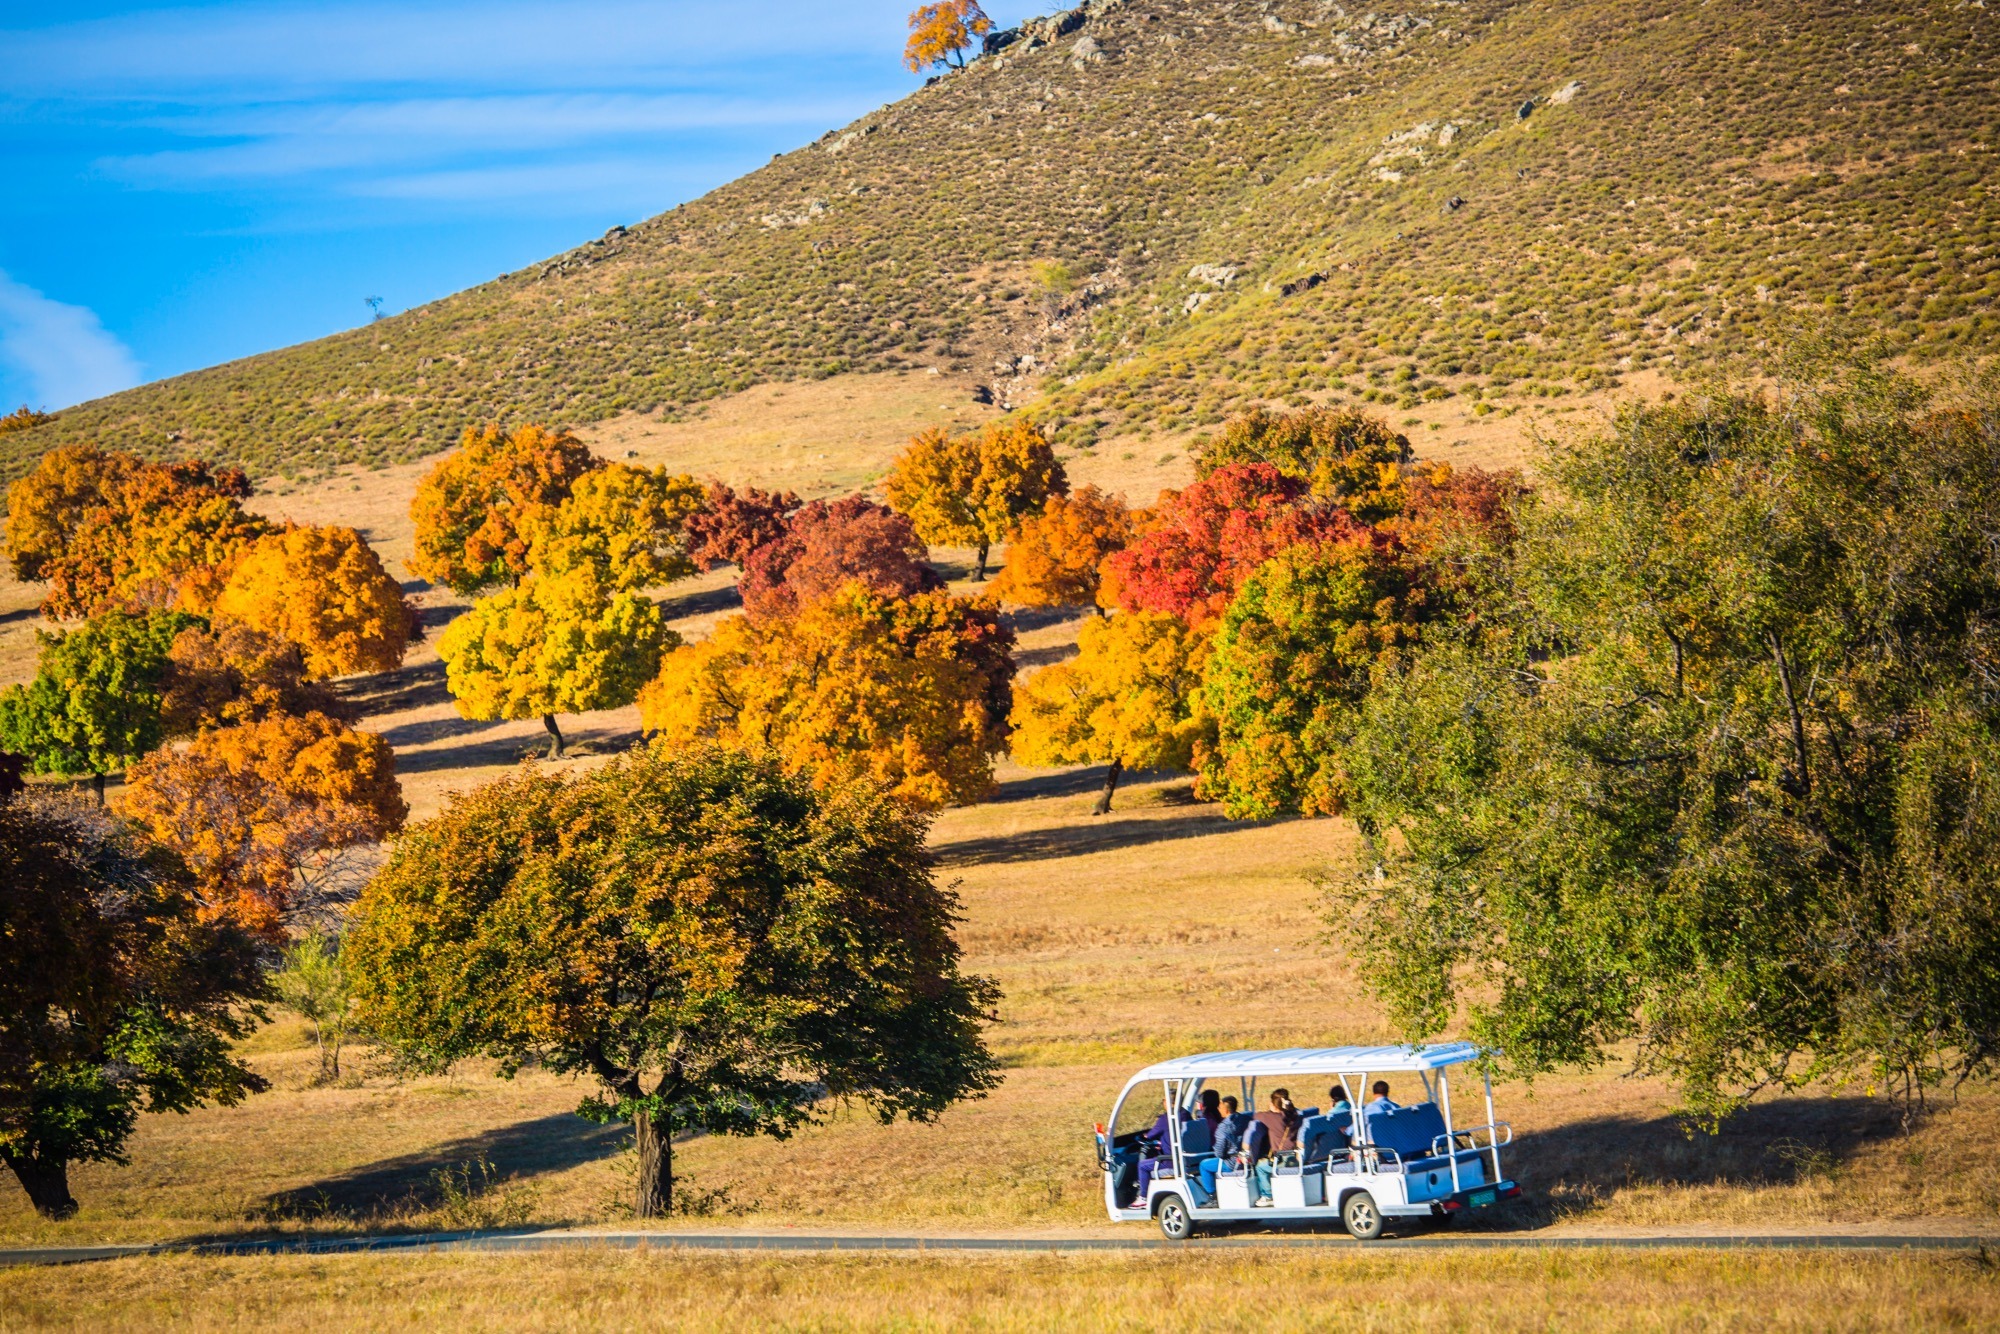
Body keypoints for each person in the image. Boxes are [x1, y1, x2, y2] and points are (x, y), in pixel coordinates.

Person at [1133, 1090, 1189, 1205]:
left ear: (1167, 1102)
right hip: (1186, 1160)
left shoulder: (1165, 1118)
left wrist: (1144, 1136)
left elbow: (1150, 1136)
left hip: (1171, 1162)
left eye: (1164, 1100)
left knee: (1142, 1166)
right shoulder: (1186, 1115)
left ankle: (1143, 1197)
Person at [1251, 1089, 1301, 1205]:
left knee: (1260, 1167)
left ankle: (1267, 1195)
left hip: (1284, 1160)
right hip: (1297, 1158)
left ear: (1273, 1104)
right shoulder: (1295, 1115)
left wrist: (1272, 1110)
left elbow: (1255, 1116)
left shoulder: (1271, 1117)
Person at [1197, 1096, 1243, 1205]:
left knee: (1204, 1165)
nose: (1219, 1109)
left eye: (1220, 1107)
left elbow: (1219, 1153)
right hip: (1245, 1159)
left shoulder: (1223, 1127)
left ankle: (1212, 1196)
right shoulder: (1244, 1119)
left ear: (1226, 1110)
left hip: (1232, 1163)